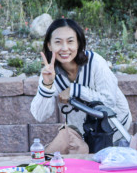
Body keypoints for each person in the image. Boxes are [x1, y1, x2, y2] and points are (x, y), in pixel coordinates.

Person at [30, 18, 131, 147]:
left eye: (70, 41)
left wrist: (75, 90)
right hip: (86, 135)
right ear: (49, 45)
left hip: (116, 129)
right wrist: (47, 85)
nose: (64, 48)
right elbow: (40, 115)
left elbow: (109, 101)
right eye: (58, 42)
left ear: (78, 43)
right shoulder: (49, 73)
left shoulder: (95, 62)